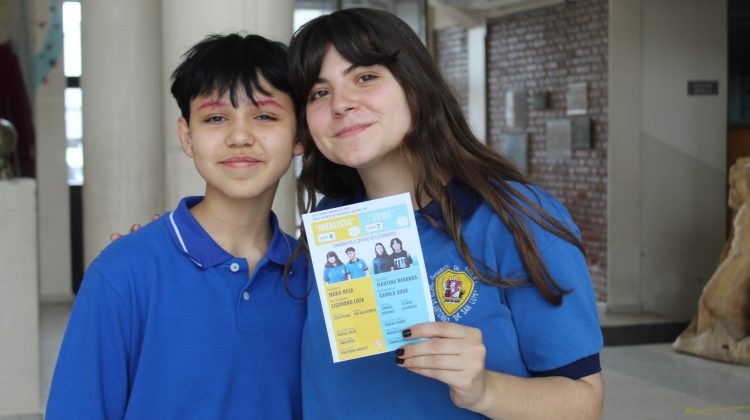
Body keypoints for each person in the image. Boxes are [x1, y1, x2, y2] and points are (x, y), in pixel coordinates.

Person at [289, 8, 603, 419]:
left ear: (415, 87)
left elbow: (585, 404)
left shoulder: (516, 219)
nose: (341, 104)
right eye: (318, 92)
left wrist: (484, 389)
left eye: (365, 77)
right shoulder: (325, 232)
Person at [46, 34, 307, 419]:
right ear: (187, 135)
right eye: (216, 118)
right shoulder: (124, 272)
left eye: (265, 116)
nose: (239, 137)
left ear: (299, 135)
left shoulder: (314, 276)